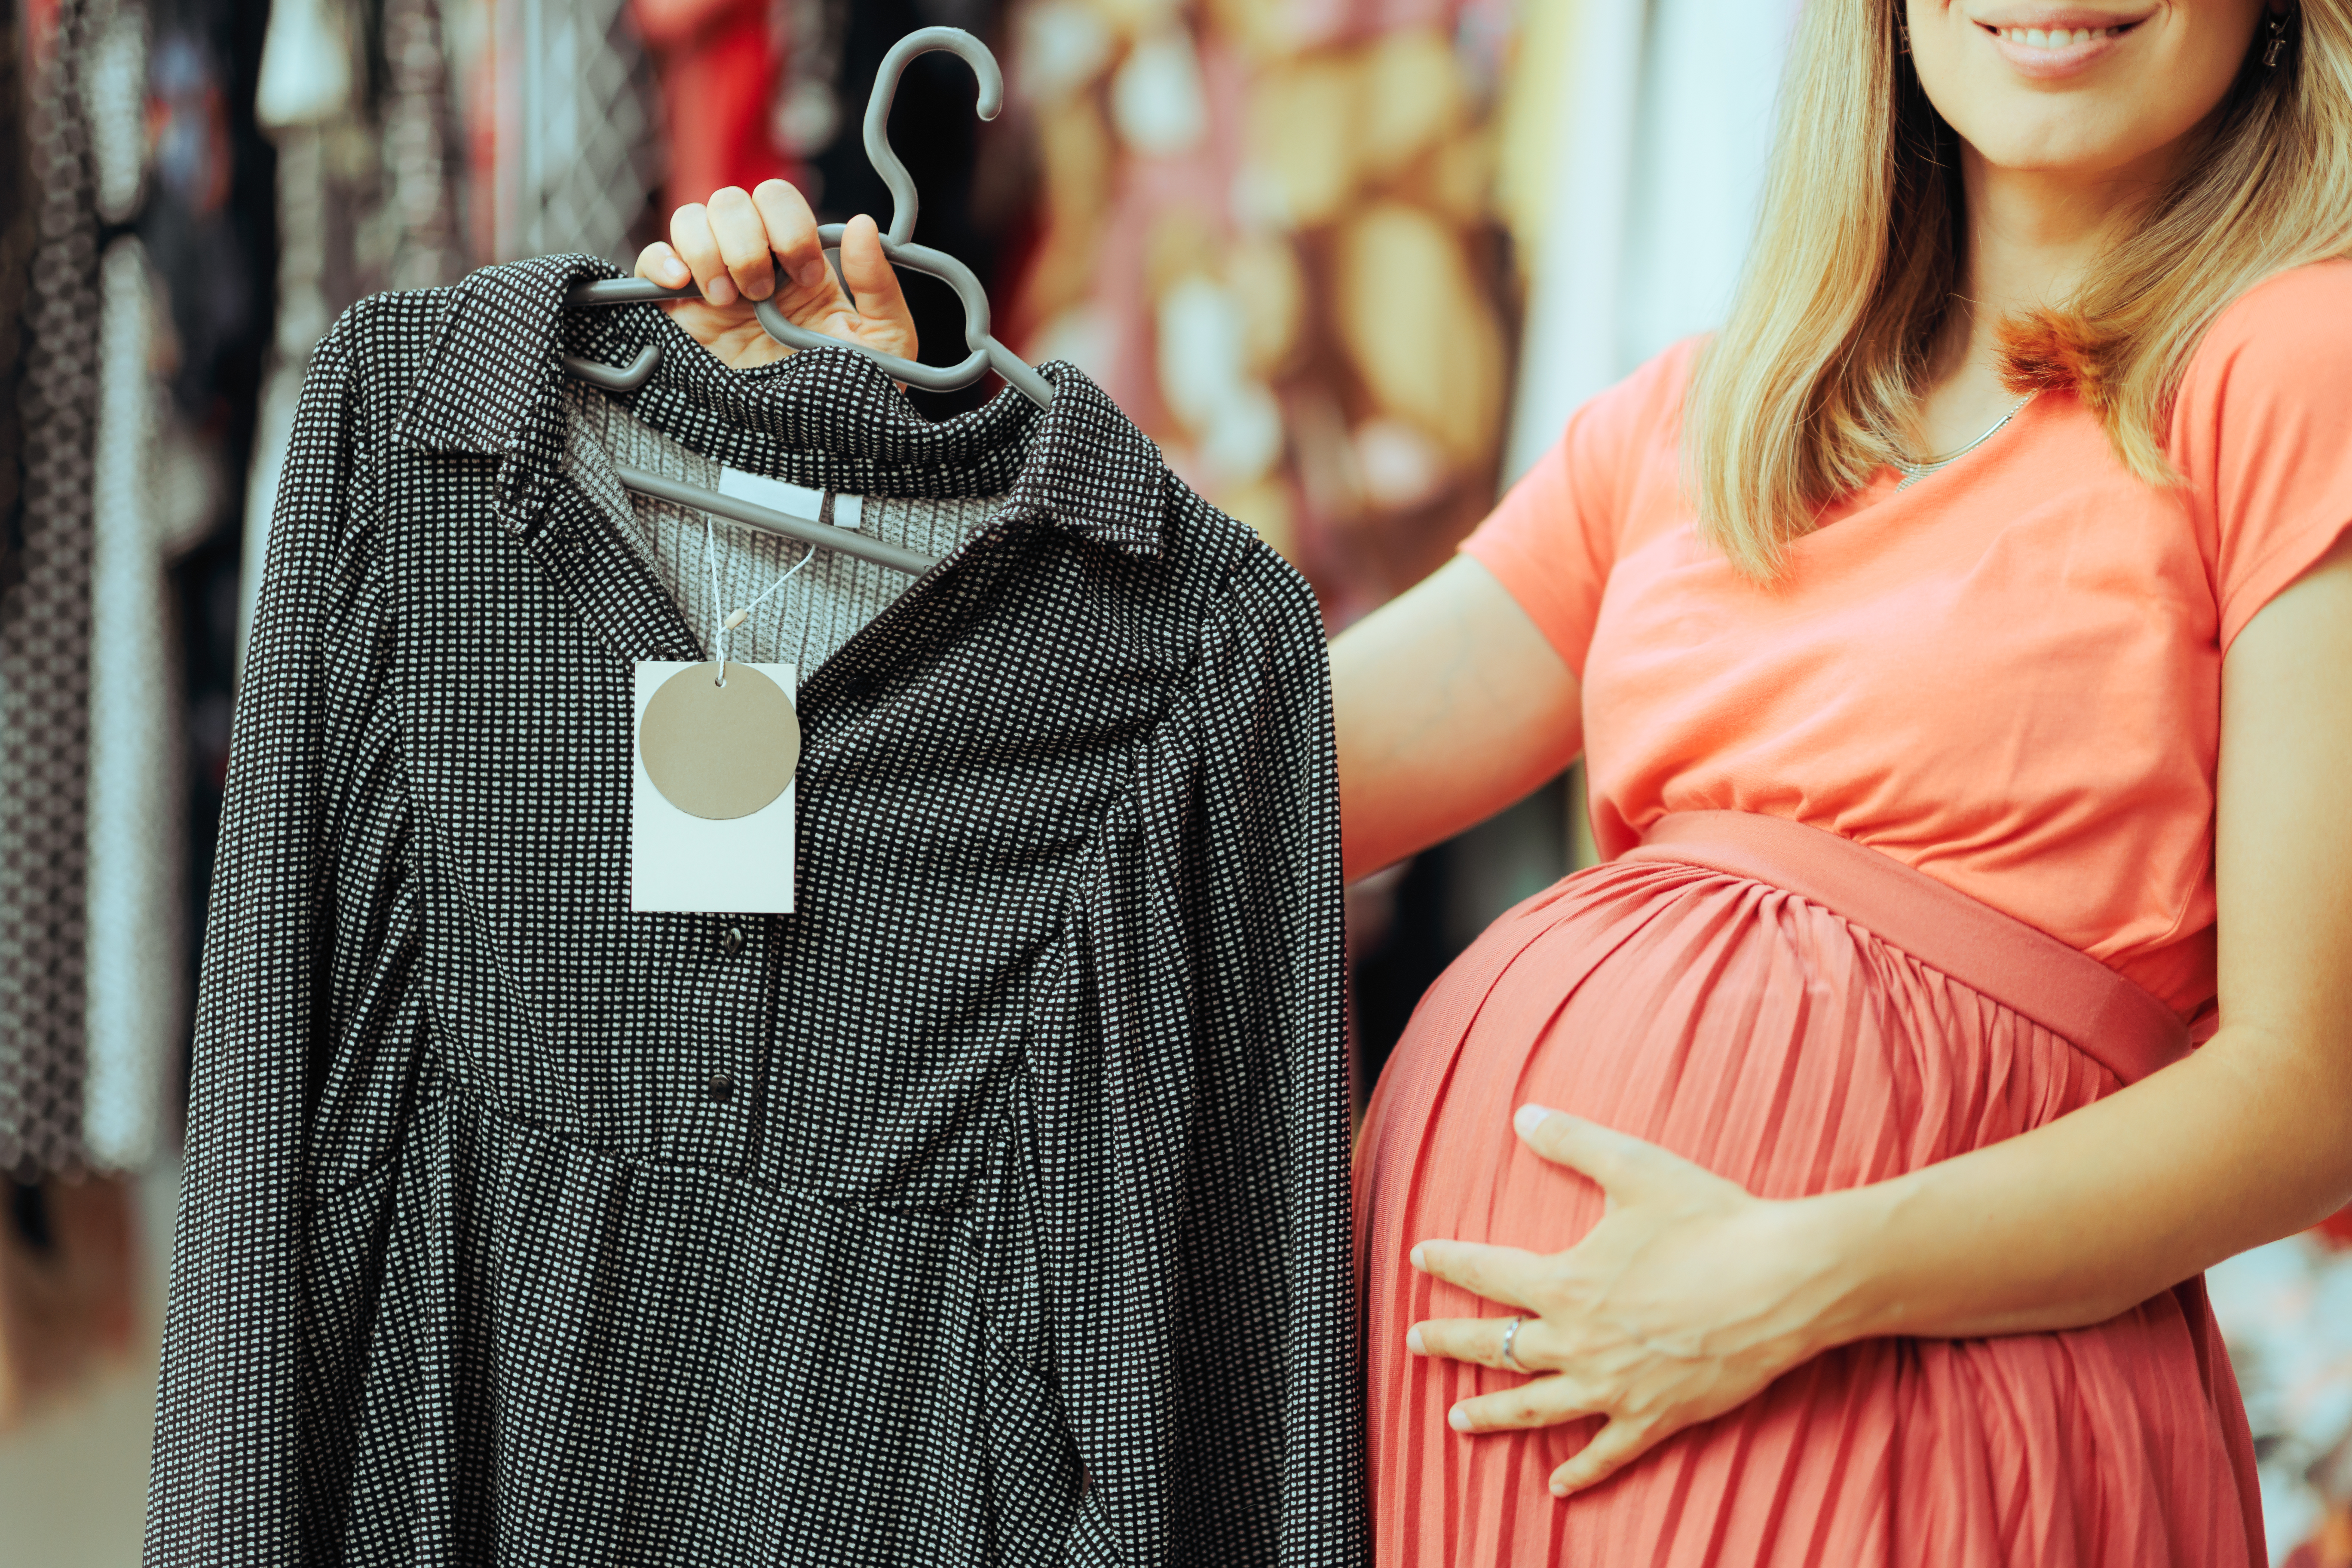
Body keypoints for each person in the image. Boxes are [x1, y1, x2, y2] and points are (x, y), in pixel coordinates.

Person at [642, 0, 2352, 1557]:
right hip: (1486, 1434)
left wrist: (1797, 1279)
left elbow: (2311, 1097)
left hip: (1887, 1402)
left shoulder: (2295, 362)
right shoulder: (1712, 417)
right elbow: (1137, 800)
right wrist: (811, 478)